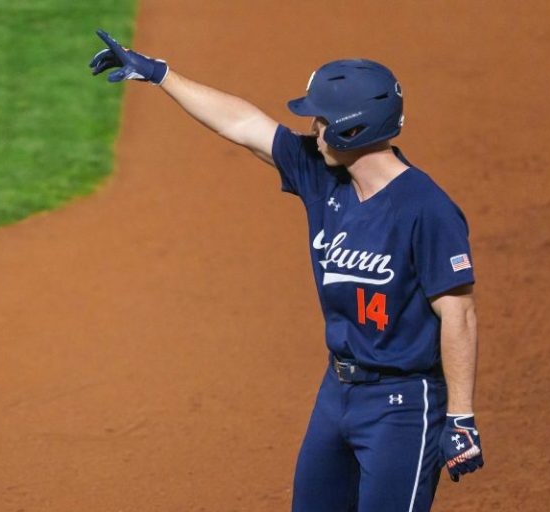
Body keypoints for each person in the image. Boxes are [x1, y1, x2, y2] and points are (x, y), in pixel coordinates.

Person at [89, 29, 484, 512]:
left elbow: (458, 314)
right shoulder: (323, 177)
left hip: (402, 405)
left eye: (320, 120)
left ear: (351, 129)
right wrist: (161, 74)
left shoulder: (427, 209)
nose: (312, 130)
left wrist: (461, 417)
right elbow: (242, 124)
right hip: (337, 393)